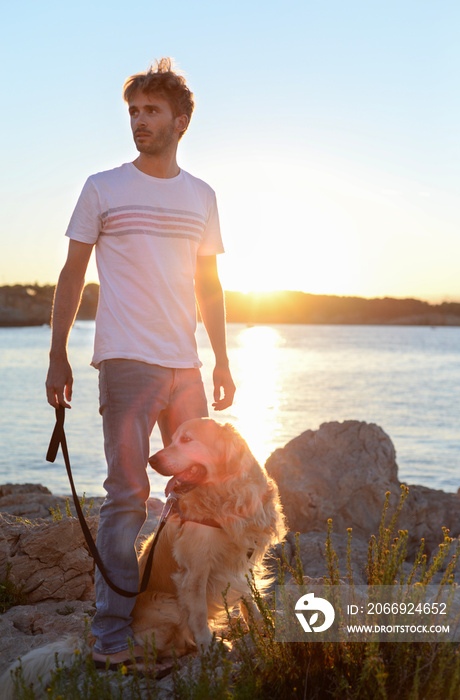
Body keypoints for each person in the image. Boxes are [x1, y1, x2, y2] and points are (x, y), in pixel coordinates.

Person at [45, 58, 236, 668]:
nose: (139, 121)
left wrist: (223, 359)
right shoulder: (103, 187)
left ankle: (194, 618)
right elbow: (73, 273)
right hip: (127, 363)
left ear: (180, 121)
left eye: (151, 111)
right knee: (128, 496)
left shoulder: (201, 195)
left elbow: (210, 286)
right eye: (133, 112)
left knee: (201, 496)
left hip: (187, 367)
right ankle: (109, 635)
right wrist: (57, 356)